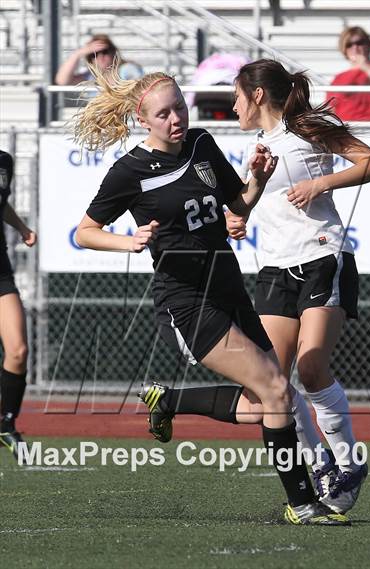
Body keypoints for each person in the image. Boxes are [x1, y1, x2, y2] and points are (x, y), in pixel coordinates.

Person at [73, 65, 350, 526]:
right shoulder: (131, 171)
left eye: (179, 106)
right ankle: (302, 502)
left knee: (268, 400)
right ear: (144, 120)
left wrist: (257, 182)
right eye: (164, 113)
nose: (175, 118)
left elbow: (237, 206)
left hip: (228, 287)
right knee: (276, 388)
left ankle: (171, 401)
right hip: (186, 301)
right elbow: (86, 232)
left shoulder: (201, 144)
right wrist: (129, 240)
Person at [225, 58, 370, 514]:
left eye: (236, 95)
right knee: (272, 383)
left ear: (257, 95)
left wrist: (321, 183)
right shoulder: (258, 146)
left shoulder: (307, 128)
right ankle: (319, 467)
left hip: (322, 257)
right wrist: (238, 219)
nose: (232, 105)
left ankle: (349, 464)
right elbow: (247, 204)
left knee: (311, 367)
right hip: (274, 268)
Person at [0, 150, 37, 460]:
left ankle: (6, 425)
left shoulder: (3, 161)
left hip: (0, 272)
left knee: (18, 350)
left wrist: (22, 228)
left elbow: (2, 203)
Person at [327, 26, 370, 122]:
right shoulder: (339, 78)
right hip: (347, 129)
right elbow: (331, 110)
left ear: (368, 44)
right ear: (344, 48)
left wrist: (366, 66)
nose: (355, 48)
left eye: (359, 43)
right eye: (349, 44)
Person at [55, 33, 144, 86]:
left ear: (113, 53)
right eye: (94, 54)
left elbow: (141, 89)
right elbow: (62, 81)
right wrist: (78, 54)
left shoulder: (127, 69)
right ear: (90, 59)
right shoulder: (91, 76)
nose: (100, 57)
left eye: (104, 52)